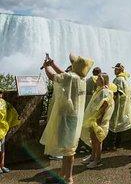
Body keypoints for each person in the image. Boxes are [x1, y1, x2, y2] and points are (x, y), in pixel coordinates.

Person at [40, 53, 94, 184]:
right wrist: (52, 64)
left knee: (69, 149)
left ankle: (69, 178)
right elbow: (64, 74)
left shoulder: (71, 77)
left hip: (66, 118)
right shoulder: (81, 79)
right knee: (67, 148)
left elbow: (54, 77)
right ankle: (63, 175)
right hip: (74, 118)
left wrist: (46, 66)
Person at [81, 73, 116, 168]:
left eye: (99, 78)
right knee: (93, 138)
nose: (97, 80)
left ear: (104, 80)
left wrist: (99, 119)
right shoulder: (99, 90)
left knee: (98, 140)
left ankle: (97, 160)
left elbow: (105, 105)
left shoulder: (105, 91)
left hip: (98, 119)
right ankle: (92, 157)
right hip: (93, 118)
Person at [109, 63, 131, 150]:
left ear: (120, 70)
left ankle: (112, 145)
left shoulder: (118, 79)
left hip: (118, 104)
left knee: (114, 123)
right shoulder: (125, 79)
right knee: (120, 123)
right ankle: (118, 144)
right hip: (124, 104)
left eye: (116, 69)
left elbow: (116, 92)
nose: (114, 71)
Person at [0, 89, 19, 175]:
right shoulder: (4, 103)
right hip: (2, 129)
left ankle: (2, 165)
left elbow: (12, 113)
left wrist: (14, 121)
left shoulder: (4, 103)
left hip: (2, 130)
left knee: (2, 149)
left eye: (1, 93)